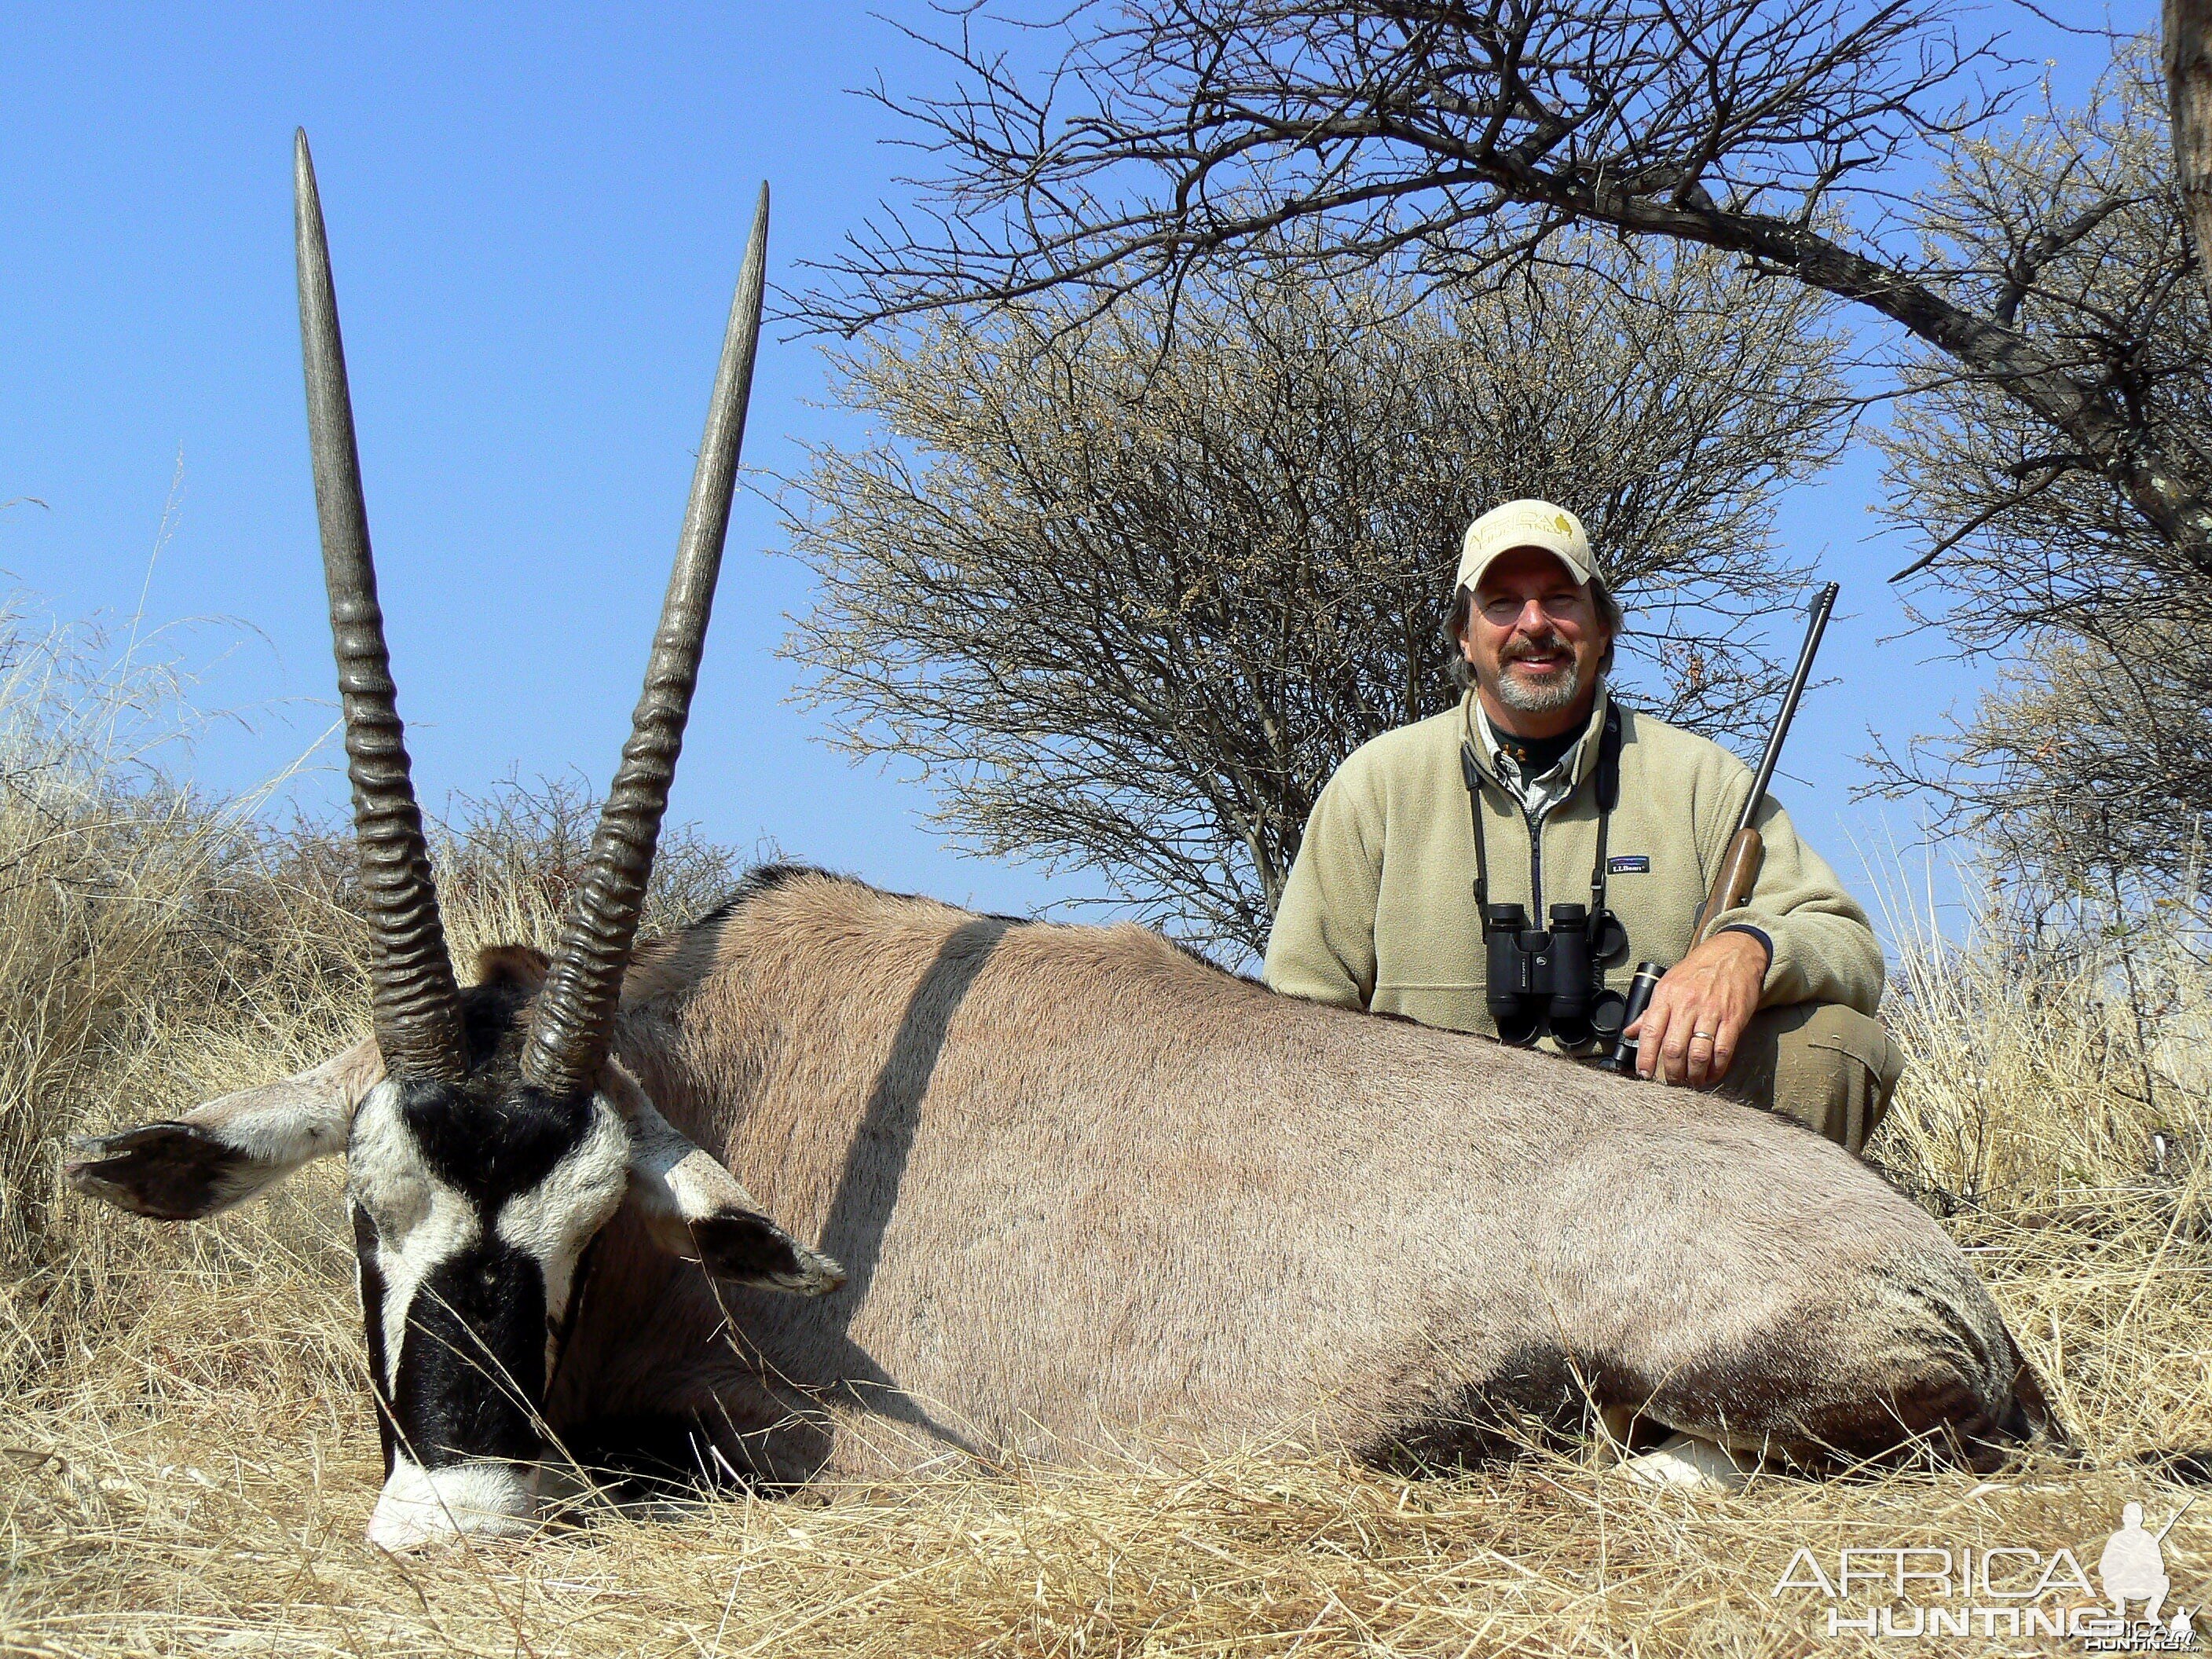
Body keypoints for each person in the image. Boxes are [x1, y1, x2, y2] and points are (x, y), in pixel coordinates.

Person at [1262, 498, 1903, 1156]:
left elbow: (1848, 946)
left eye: (1561, 599)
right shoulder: (1377, 783)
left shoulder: (1699, 778)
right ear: (1465, 635)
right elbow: (1297, 1005)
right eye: (1503, 602)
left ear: (1602, 627)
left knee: (1833, 1047)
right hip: (1427, 1143)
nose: (1534, 624)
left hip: (1651, 1143)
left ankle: (1769, 1258)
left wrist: (1747, 950)